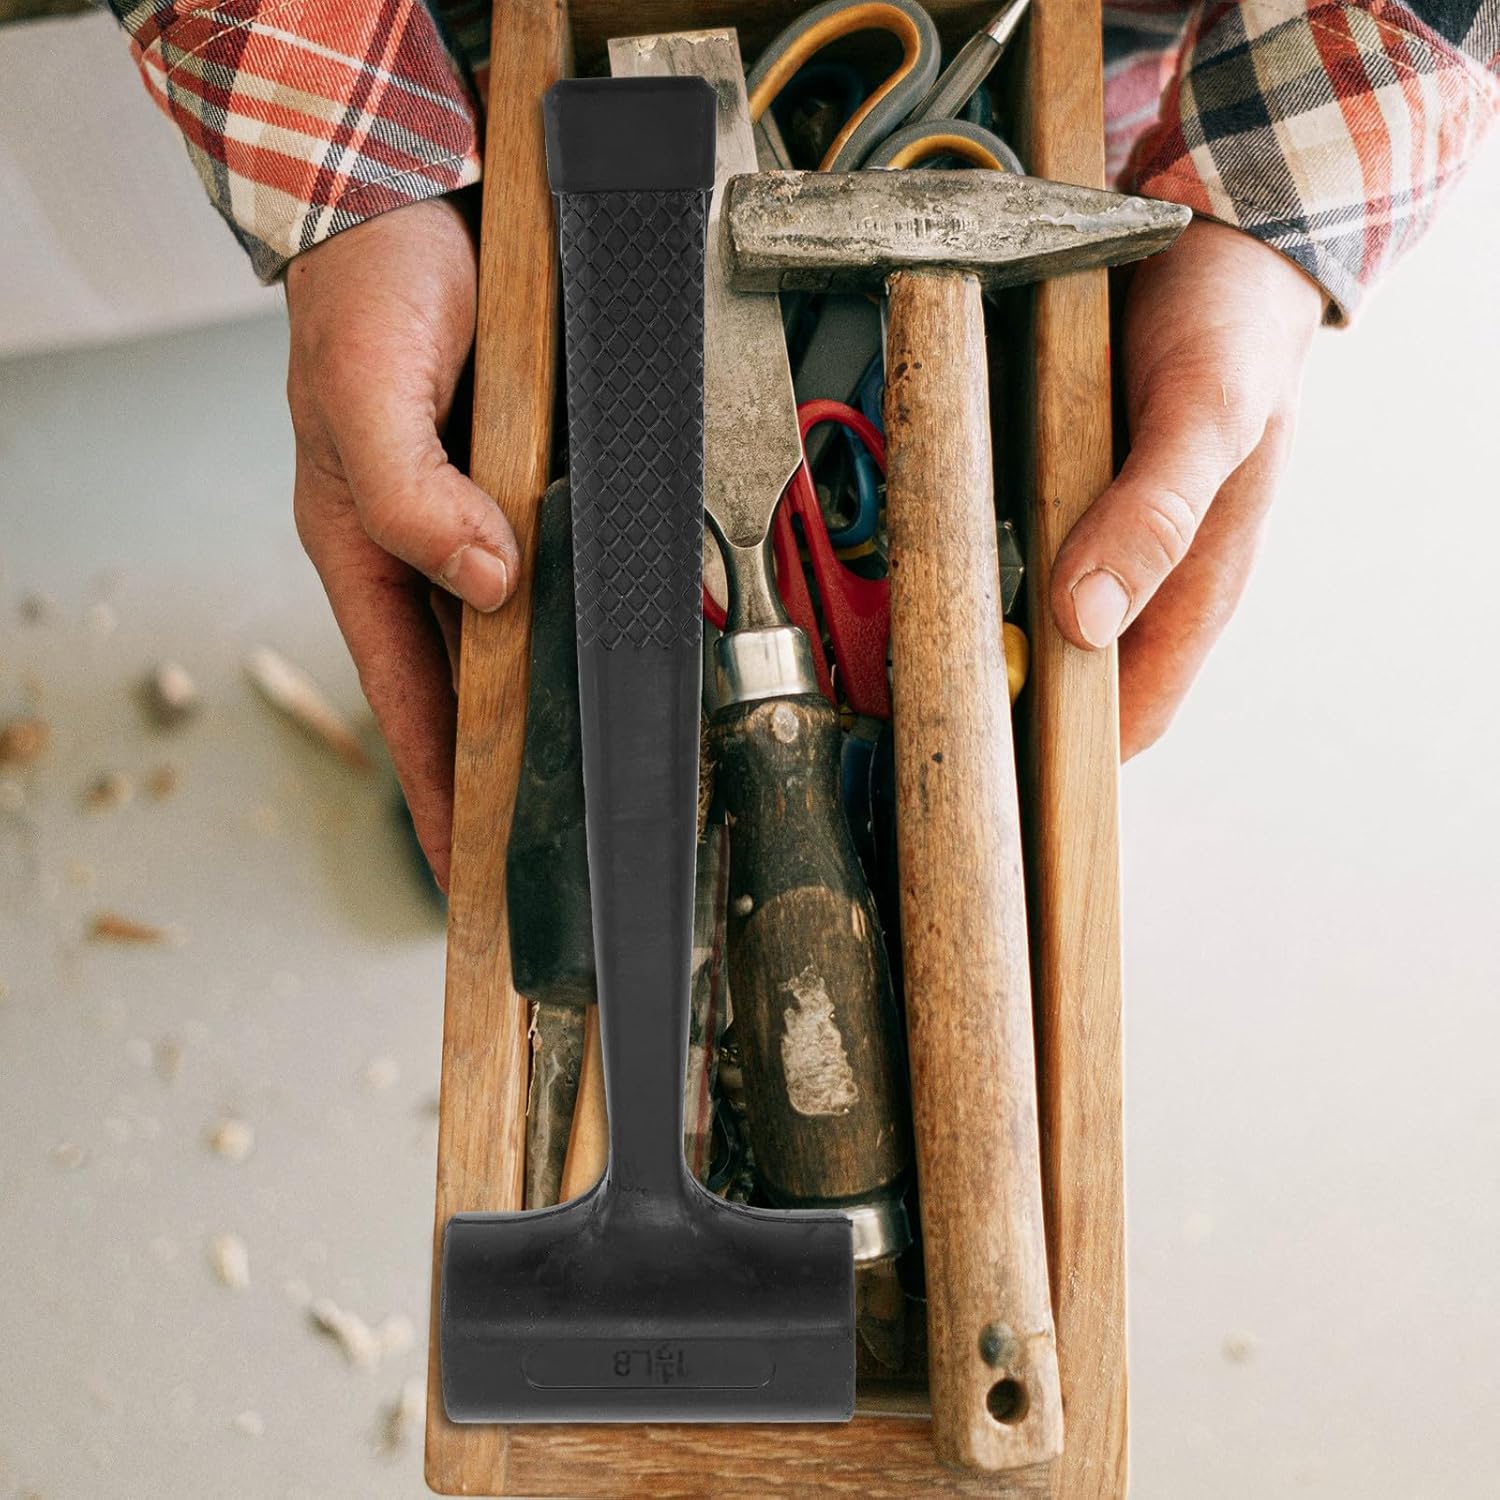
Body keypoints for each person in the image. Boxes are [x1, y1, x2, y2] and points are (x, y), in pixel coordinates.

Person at [105, 1, 1498, 888]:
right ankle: (572, 783)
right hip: (463, 74)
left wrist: (1270, 212)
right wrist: (351, 171)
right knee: (518, 490)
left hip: (1099, 59)